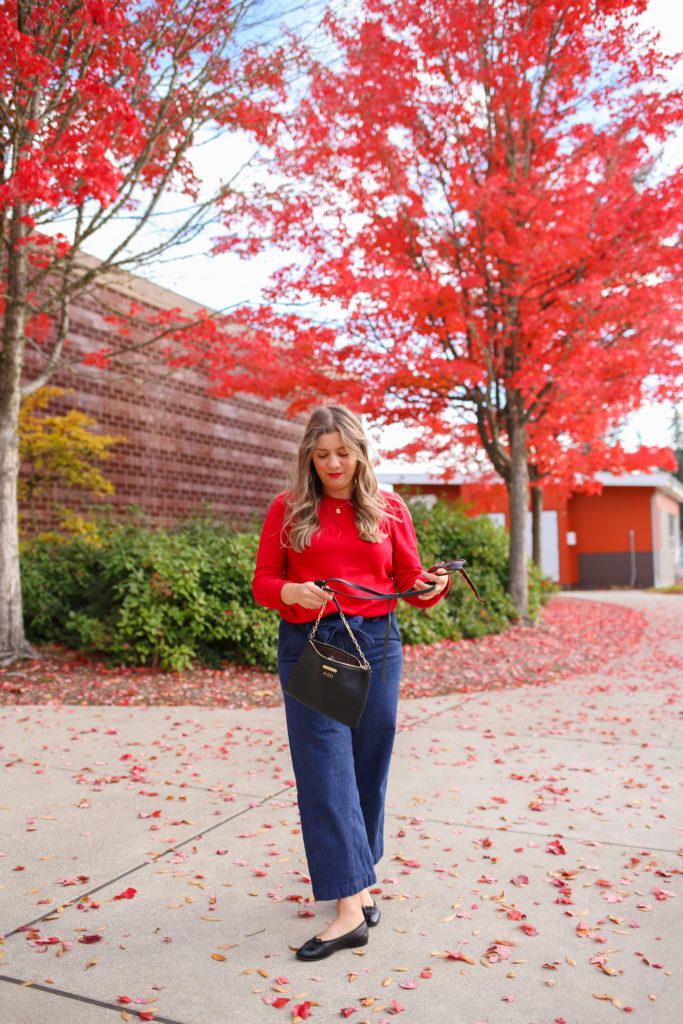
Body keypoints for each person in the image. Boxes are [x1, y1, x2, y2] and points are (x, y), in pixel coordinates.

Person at [252, 405, 449, 961]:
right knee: (326, 769)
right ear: (307, 457)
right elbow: (264, 582)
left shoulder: (388, 509)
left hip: (378, 642)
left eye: (343, 452)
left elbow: (409, 580)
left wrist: (432, 588)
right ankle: (348, 910)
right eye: (322, 454)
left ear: (361, 452)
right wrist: (291, 592)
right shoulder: (288, 510)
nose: (334, 464)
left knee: (368, 764)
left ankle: (359, 882)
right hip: (312, 642)